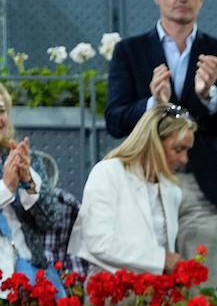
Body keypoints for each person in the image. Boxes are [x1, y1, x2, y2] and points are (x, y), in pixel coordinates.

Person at [105, 0, 217, 286]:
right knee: (145, 291)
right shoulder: (129, 51)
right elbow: (115, 120)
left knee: (202, 293)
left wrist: (211, 94)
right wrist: (152, 104)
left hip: (204, 188)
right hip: (146, 184)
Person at [69, 104, 197, 276]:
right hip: (110, 289)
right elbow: (98, 241)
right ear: (153, 142)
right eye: (178, 149)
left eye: (187, 151)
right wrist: (162, 259)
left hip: (154, 292)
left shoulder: (172, 190)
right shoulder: (108, 171)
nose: (184, 159)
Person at [0, 84, 73, 283]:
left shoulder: (24, 159)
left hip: (31, 272)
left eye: (1, 111)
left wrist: (28, 183)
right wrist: (6, 188)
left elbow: (52, 220)